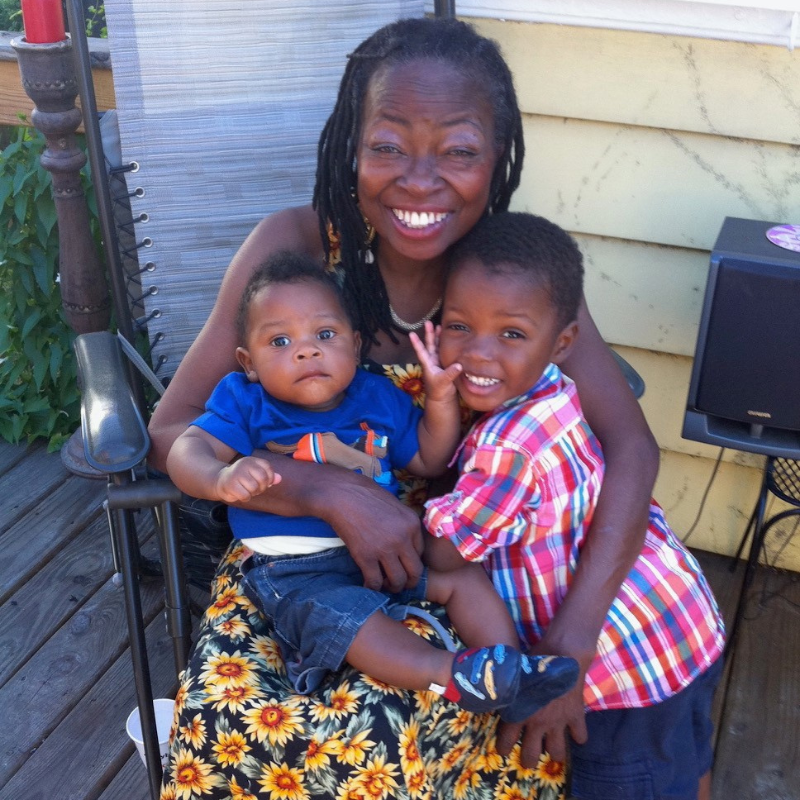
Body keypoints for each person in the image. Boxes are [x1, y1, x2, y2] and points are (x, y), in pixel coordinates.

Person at [151, 16, 661, 800]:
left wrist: (573, 641)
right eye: (387, 145)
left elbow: (630, 445)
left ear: (497, 160)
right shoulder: (294, 251)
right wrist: (329, 490)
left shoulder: (508, 273)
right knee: (251, 727)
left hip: (461, 567)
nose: (419, 181)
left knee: (415, 731)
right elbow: (172, 431)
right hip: (289, 558)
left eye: (458, 150)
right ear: (351, 146)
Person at [166, 250, 578, 714]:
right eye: (279, 341)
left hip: (387, 552)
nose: (306, 350)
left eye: (325, 334)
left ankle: (512, 672)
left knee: (460, 577)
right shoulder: (247, 402)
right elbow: (187, 448)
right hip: (299, 572)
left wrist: (440, 398)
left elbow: (428, 457)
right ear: (250, 361)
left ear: (355, 345)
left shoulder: (376, 396)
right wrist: (221, 476)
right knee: (350, 622)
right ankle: (451, 674)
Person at [423, 211, 726, 800]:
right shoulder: (555, 391)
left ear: (562, 342)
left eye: (511, 334)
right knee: (684, 763)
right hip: (676, 620)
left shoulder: (506, 446)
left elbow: (444, 550)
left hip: (622, 671)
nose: (480, 355)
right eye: (459, 327)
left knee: (639, 782)